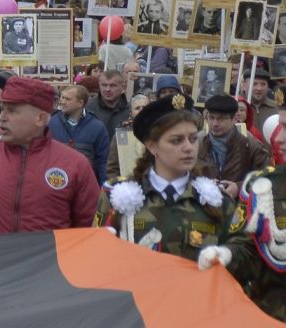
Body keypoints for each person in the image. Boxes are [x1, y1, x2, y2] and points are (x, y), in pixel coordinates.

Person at [107, 94, 260, 282]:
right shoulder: (118, 199)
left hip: (199, 305)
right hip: (139, 306)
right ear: (152, 146)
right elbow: (99, 263)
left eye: (193, 138)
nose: (189, 148)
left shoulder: (216, 200)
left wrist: (227, 254)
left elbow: (247, 254)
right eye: (176, 140)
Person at [0, 74, 100, 237]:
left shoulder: (75, 165)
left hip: (49, 261)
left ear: (40, 118)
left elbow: (88, 228)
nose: (2, 118)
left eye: (12, 111)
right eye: (3, 109)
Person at [194, 92, 269, 197]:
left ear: (234, 119)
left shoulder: (251, 146)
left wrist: (239, 188)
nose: (215, 123)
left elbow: (266, 178)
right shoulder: (197, 144)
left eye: (221, 118)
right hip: (203, 207)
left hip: (238, 208)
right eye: (211, 117)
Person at [49, 84, 111, 187]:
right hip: (56, 182)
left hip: (85, 183)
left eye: (67, 99)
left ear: (80, 103)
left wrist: (104, 188)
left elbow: (103, 161)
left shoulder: (97, 127)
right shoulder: (51, 123)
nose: (62, 102)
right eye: (62, 98)